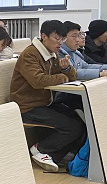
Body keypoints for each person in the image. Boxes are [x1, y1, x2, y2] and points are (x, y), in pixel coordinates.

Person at [10, 20, 85, 172]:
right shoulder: (30, 54)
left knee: (81, 121)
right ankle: (41, 149)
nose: (60, 43)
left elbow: (72, 76)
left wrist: (66, 68)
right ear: (44, 36)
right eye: (57, 38)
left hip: (45, 102)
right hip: (27, 106)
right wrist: (63, 77)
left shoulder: (52, 53)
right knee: (72, 126)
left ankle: (55, 155)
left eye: (62, 39)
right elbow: (38, 81)